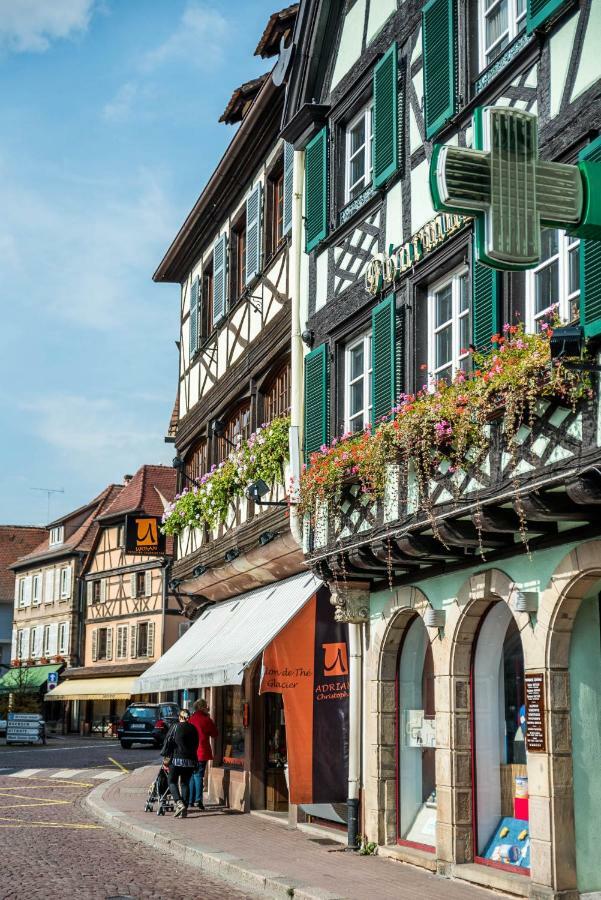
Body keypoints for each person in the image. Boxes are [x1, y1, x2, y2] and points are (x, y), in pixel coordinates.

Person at [162, 708, 198, 818]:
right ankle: (184, 808)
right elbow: (196, 744)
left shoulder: (175, 727)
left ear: (179, 717)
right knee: (185, 783)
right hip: (190, 760)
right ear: (188, 717)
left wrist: (165, 759)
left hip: (176, 759)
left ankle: (179, 803)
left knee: (172, 781)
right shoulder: (193, 729)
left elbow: (167, 742)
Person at [188, 698, 218, 810]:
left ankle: (190, 800)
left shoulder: (190, 719)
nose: (207, 708)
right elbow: (215, 733)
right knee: (198, 776)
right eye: (206, 706)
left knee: (191, 775)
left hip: (191, 752)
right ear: (202, 708)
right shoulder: (206, 720)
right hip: (202, 752)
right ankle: (198, 800)